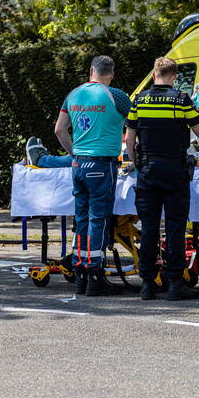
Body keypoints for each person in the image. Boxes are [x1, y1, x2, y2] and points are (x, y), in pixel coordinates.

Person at [126, 57, 199, 301]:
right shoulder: (181, 100)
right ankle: (175, 283)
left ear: (154, 75)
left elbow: (130, 140)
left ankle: (147, 284)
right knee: (175, 227)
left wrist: (139, 164)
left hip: (148, 171)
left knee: (149, 228)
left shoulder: (139, 101)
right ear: (174, 77)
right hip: (174, 170)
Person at [53, 55, 132, 297]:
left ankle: (80, 275)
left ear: (91, 71)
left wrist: (74, 152)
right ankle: (95, 276)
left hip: (79, 164)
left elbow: (59, 129)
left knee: (82, 220)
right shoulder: (117, 96)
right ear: (112, 73)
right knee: (98, 219)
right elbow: (136, 127)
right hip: (102, 163)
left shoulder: (73, 94)